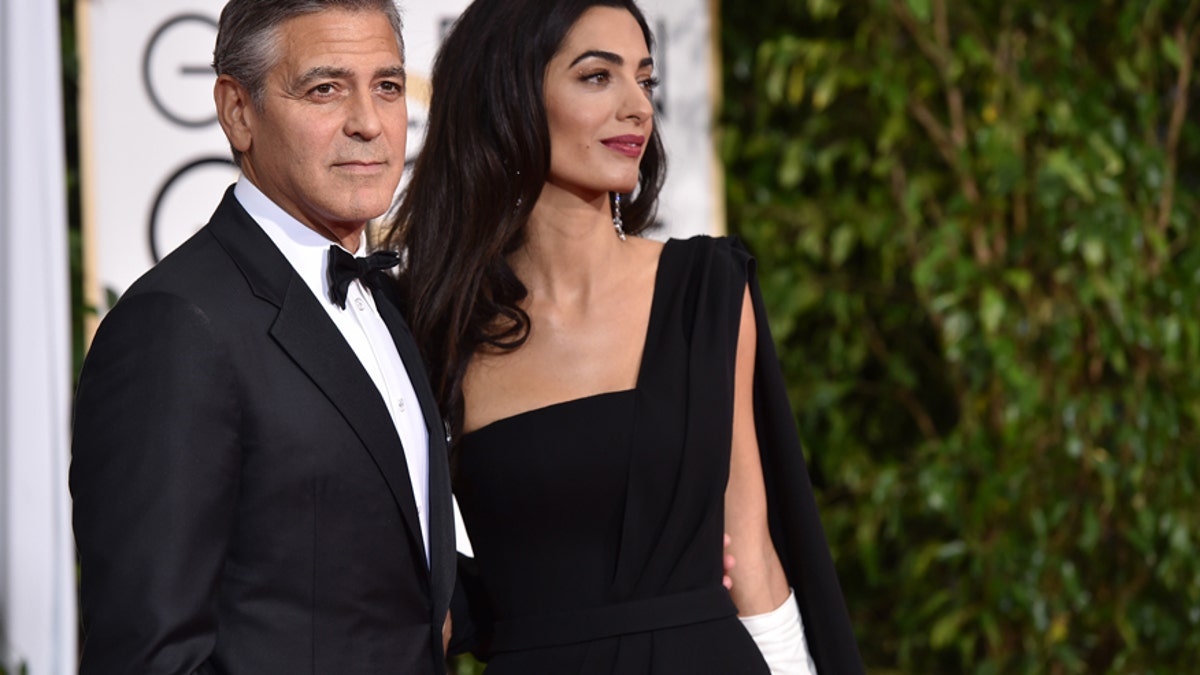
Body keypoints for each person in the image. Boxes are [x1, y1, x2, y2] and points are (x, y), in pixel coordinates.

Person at [386, 0, 864, 672]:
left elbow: (752, 554)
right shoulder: (431, 326)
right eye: (597, 77)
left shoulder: (706, 290)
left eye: (645, 80)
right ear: (509, 94)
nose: (638, 108)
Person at [69, 1, 456, 672]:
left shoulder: (391, 304)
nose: (369, 122)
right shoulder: (175, 327)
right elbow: (147, 653)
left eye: (387, 86)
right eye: (325, 88)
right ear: (237, 111)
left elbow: (390, 591)